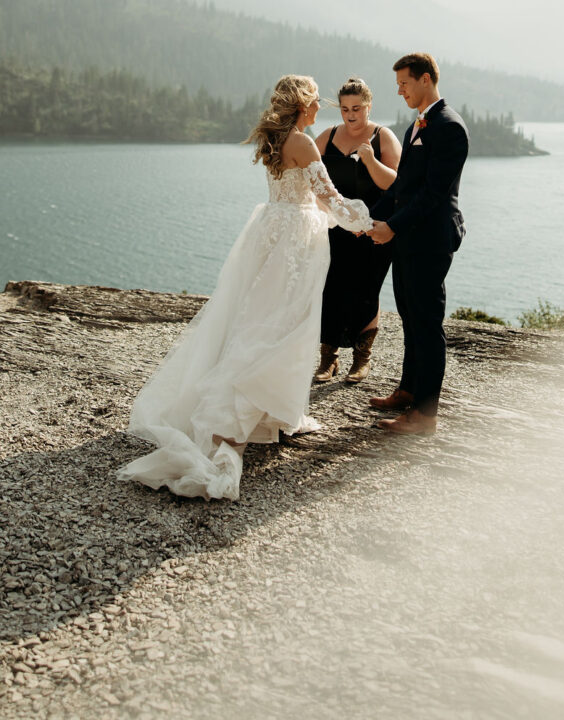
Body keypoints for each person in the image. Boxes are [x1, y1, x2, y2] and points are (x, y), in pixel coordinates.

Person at [117, 75, 372, 500]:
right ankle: (248, 411)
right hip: (295, 240)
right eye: (316, 102)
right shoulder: (304, 143)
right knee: (284, 322)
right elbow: (330, 199)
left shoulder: (274, 139)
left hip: (271, 229)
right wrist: (368, 224)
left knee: (258, 315)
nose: (320, 108)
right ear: (302, 105)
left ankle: (273, 410)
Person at [369, 53, 469, 435]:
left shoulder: (450, 127)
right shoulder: (419, 124)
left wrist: (391, 226)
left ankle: (425, 415)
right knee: (410, 318)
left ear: (425, 79)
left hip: (430, 239)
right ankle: (408, 390)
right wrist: (368, 216)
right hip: (408, 238)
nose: (400, 91)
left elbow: (432, 194)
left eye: (404, 83)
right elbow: (401, 187)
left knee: (427, 325)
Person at [313, 78, 402, 383]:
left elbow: (395, 185)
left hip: (372, 230)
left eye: (356, 108)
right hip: (335, 229)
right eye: (344, 109)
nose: (350, 115)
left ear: (368, 106)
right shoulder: (328, 136)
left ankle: (361, 361)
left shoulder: (382, 136)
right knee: (330, 289)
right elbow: (307, 173)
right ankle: (329, 358)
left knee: (366, 292)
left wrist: (370, 159)